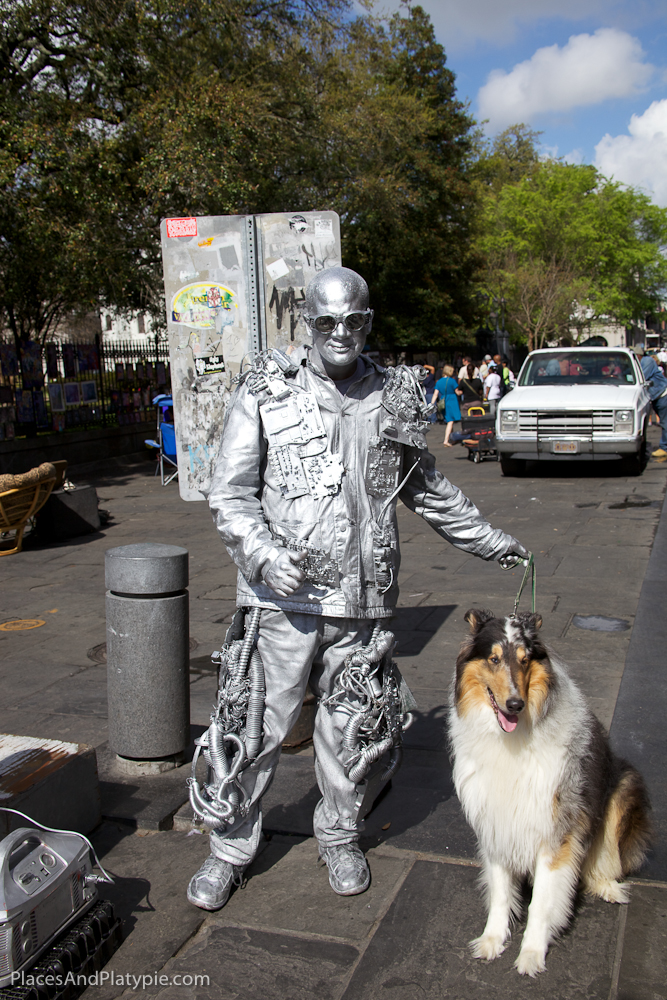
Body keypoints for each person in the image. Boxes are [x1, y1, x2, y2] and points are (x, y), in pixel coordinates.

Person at [187, 267, 528, 910]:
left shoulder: (396, 397)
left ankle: (340, 835)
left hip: (364, 601)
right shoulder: (265, 390)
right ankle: (229, 847)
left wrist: (490, 539)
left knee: (352, 732)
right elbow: (228, 490)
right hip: (282, 602)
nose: (340, 334)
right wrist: (261, 556)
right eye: (326, 322)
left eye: (353, 321)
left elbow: (428, 490)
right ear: (306, 324)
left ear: (368, 321)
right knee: (255, 727)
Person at [635, 344, 667, 458]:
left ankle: (664, 448)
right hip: (656, 397)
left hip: (663, 395)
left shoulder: (647, 361)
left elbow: (641, 377)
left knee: (665, 422)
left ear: (638, 355)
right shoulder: (640, 363)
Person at [432, 364, 463, 446]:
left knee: (449, 419)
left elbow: (435, 394)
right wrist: (462, 392)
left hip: (444, 400)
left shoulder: (439, 381)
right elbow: (457, 392)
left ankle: (452, 438)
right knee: (450, 421)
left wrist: (432, 403)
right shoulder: (452, 381)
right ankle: (446, 440)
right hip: (452, 400)